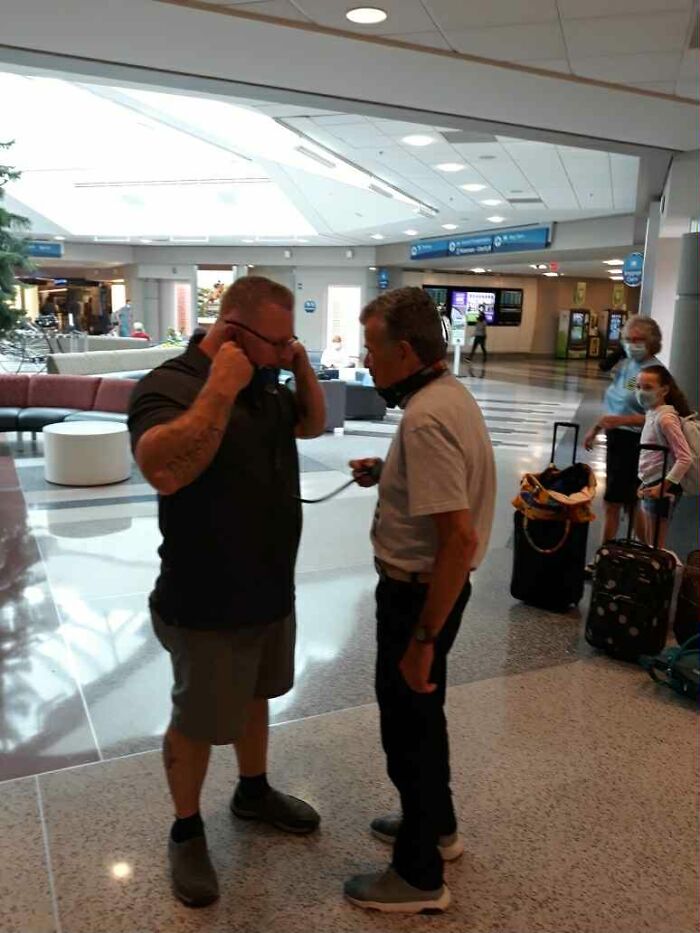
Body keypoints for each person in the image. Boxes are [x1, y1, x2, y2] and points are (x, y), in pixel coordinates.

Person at [127, 276, 326, 908]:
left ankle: (253, 790)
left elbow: (313, 425)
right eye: (278, 341)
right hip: (204, 597)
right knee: (197, 718)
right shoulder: (170, 384)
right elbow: (162, 468)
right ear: (234, 334)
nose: (286, 350)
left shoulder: (268, 383)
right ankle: (186, 829)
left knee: (256, 694)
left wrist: (297, 365)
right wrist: (221, 386)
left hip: (270, 587)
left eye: (291, 340)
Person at [343, 287, 496, 914]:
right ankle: (437, 825)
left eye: (372, 348)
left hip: (419, 598)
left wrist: (423, 641)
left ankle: (417, 876)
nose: (366, 360)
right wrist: (392, 474)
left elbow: (458, 539)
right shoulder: (448, 395)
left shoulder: (425, 417)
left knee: (407, 728)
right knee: (424, 717)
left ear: (405, 351)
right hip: (436, 592)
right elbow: (447, 483)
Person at [584, 316, 662, 562]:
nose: (632, 344)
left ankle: (602, 559)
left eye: (639, 339)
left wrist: (621, 421)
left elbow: (658, 417)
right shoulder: (628, 365)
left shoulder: (654, 373)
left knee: (613, 503)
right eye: (628, 339)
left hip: (635, 443)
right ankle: (646, 553)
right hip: (617, 439)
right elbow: (617, 401)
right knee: (630, 502)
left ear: (651, 341)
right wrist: (597, 427)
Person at [636, 365, 692, 550]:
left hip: (662, 485)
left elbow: (685, 458)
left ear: (664, 390)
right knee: (650, 542)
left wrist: (663, 486)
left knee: (655, 546)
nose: (641, 392)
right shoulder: (652, 413)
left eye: (648, 387)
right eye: (638, 386)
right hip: (652, 482)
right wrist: (644, 481)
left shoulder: (665, 419)